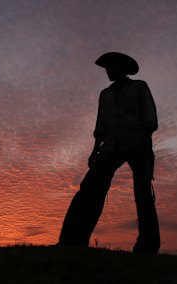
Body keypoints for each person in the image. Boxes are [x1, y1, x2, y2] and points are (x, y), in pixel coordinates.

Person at [57, 52, 160, 254]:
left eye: (110, 68)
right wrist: (94, 152)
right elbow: (100, 128)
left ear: (121, 68)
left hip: (138, 144)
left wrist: (145, 149)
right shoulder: (105, 94)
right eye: (106, 69)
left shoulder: (139, 87)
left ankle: (147, 246)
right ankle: (72, 240)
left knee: (143, 194)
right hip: (111, 146)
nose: (107, 72)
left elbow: (150, 119)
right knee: (89, 188)